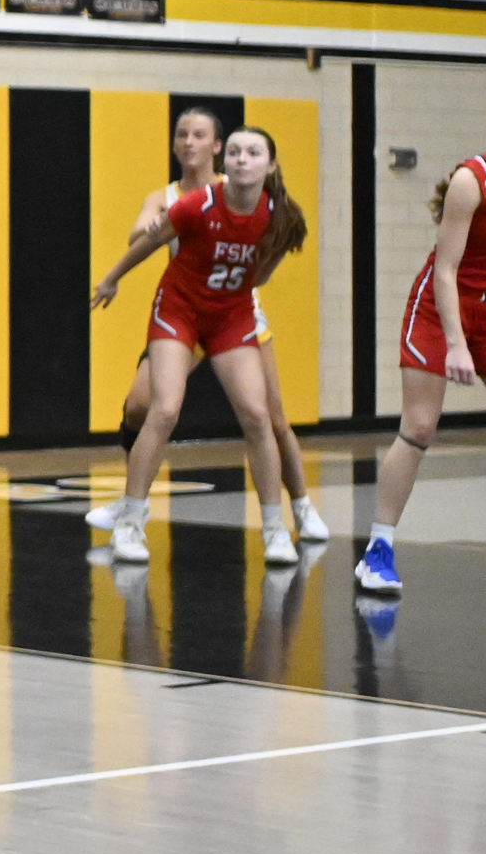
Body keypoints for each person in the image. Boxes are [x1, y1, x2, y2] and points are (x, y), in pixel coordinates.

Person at [86, 107, 328, 544]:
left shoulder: (247, 192)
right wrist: (139, 239)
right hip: (185, 308)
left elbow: (268, 260)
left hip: (236, 309)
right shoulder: (172, 197)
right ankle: (131, 503)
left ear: (219, 147)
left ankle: (301, 509)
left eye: (200, 134)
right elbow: (143, 233)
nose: (189, 142)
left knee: (270, 417)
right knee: (145, 407)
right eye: (182, 134)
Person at [358, 90, 486, 595]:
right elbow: (445, 270)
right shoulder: (472, 181)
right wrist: (455, 344)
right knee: (420, 427)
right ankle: (377, 551)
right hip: (439, 308)